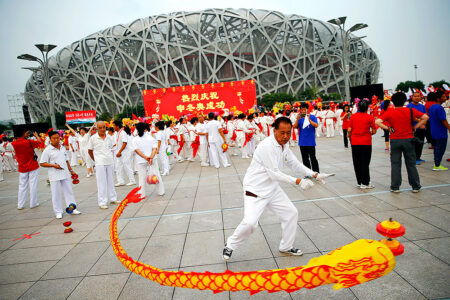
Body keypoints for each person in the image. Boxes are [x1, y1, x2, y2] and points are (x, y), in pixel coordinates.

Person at [223, 117, 333, 260]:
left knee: (291, 213)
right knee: (250, 223)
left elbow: (294, 163)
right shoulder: (266, 146)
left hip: (272, 189)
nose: (286, 136)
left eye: (288, 132)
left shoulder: (284, 145)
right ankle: (230, 245)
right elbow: (274, 173)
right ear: (274, 130)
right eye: (282, 133)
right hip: (255, 190)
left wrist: (314, 174)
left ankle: (286, 246)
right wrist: (299, 181)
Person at [375, 92, 429, 193]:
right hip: (409, 139)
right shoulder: (410, 110)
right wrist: (415, 127)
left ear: (393, 102)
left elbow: (377, 122)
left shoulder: (390, 112)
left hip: (395, 140)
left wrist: (388, 128)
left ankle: (395, 187)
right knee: (411, 163)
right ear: (404, 100)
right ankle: (415, 186)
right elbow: (425, 117)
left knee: (395, 164)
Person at [40, 131, 81, 218]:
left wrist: (71, 170)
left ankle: (72, 208)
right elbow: (42, 163)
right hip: (54, 175)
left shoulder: (62, 147)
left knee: (69, 191)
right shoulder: (48, 150)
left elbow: (66, 160)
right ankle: (58, 211)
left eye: (57, 138)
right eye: (54, 138)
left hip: (65, 173)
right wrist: (53, 165)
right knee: (56, 193)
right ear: (50, 139)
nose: (56, 140)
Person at [88, 121, 118, 209]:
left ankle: (113, 198)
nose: (102, 129)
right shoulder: (93, 138)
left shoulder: (109, 137)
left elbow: (111, 148)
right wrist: (95, 160)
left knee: (111, 181)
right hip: (100, 163)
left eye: (104, 127)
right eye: (100, 128)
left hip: (109, 161)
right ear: (96, 128)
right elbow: (89, 151)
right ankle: (102, 202)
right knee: (101, 182)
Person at [348, 100, 377, 189]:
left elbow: (349, 130)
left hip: (355, 142)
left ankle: (359, 181)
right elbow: (374, 130)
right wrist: (369, 133)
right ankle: (365, 182)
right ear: (367, 108)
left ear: (358, 107)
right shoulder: (370, 117)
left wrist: (350, 136)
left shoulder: (353, 117)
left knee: (356, 162)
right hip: (366, 142)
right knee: (365, 162)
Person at [12, 128, 42, 210]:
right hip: (32, 165)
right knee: (33, 185)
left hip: (22, 167)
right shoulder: (29, 142)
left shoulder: (14, 143)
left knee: (22, 186)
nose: (27, 133)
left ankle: (20, 204)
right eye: (26, 132)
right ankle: (33, 203)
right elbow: (39, 142)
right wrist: (36, 136)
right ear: (23, 133)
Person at [133, 122, 165, 197]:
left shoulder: (135, 139)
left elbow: (136, 150)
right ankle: (161, 191)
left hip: (141, 160)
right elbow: (154, 148)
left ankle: (141, 194)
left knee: (142, 177)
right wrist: (151, 157)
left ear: (137, 129)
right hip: (152, 159)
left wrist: (145, 157)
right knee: (157, 174)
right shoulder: (150, 137)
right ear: (145, 128)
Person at [293, 103, 319, 172]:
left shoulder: (312, 117)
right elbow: (295, 126)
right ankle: (308, 173)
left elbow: (316, 125)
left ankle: (316, 172)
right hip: (302, 141)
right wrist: (297, 119)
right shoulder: (300, 118)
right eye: (301, 110)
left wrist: (309, 120)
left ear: (307, 109)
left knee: (313, 158)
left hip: (310, 141)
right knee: (305, 159)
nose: (303, 111)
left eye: (304, 109)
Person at [428, 90, 450, 171]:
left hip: (434, 130)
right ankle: (437, 165)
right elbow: (443, 120)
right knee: (441, 148)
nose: (445, 98)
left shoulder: (432, 107)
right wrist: (449, 128)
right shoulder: (439, 108)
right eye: (443, 96)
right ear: (438, 98)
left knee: (437, 148)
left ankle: (436, 163)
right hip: (440, 131)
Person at [406, 92, 427, 164]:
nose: (417, 97)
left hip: (422, 128)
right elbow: (411, 117)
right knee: (414, 144)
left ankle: (418, 157)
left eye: (418, 96)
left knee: (421, 143)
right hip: (414, 128)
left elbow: (425, 116)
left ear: (421, 97)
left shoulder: (422, 106)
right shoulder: (409, 106)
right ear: (412, 97)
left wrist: (423, 124)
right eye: (415, 96)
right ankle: (414, 159)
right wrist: (421, 121)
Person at [113, 120, 136, 186]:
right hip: (119, 152)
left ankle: (132, 180)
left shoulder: (122, 133)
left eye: (114, 125)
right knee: (118, 167)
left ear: (117, 126)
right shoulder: (117, 133)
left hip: (124, 152)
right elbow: (120, 142)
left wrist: (119, 151)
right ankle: (121, 181)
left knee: (127, 166)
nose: (113, 127)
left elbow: (125, 143)